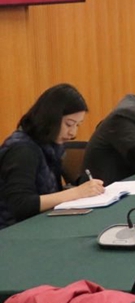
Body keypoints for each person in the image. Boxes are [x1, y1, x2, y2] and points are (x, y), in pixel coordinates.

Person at [0, 85, 104, 228]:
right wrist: (77, 192)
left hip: (40, 224)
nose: (73, 133)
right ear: (50, 118)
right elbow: (21, 205)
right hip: (13, 231)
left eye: (77, 125)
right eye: (69, 124)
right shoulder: (22, 150)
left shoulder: (49, 145)